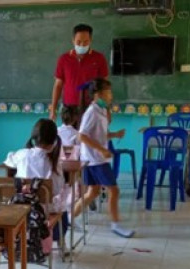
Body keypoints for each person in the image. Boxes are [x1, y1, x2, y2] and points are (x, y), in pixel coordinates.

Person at [71, 78, 134, 238]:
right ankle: (116, 225)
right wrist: (102, 150)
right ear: (98, 94)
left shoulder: (102, 111)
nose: (111, 95)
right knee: (114, 190)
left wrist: (114, 134)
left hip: (93, 158)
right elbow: (82, 136)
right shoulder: (92, 112)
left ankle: (69, 217)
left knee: (92, 192)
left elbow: (97, 134)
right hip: (95, 159)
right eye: (108, 92)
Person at [49, 24, 109, 121]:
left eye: (86, 42)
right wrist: (53, 109)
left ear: (90, 40)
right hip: (69, 109)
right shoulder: (64, 59)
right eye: (78, 41)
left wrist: (107, 110)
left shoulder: (99, 58)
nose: (82, 45)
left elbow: (105, 86)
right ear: (73, 40)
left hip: (92, 109)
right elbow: (58, 85)